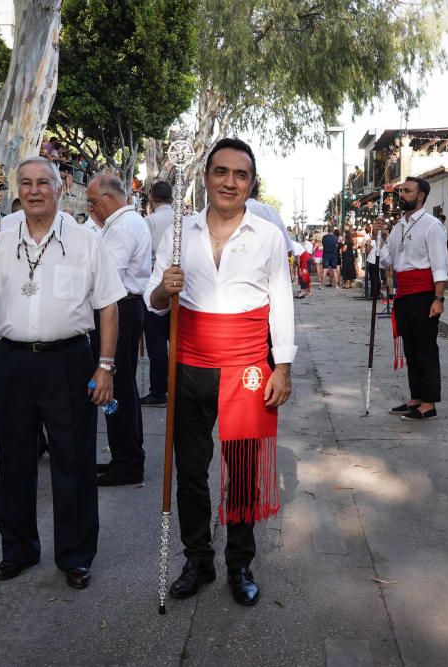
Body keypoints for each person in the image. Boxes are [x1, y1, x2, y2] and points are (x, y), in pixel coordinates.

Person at [0, 156, 125, 589]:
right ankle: (19, 549)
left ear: (59, 188)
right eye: (25, 183)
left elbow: (108, 306)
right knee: (15, 460)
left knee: (74, 460)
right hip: (12, 362)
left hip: (69, 361)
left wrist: (105, 367)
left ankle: (76, 555)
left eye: (42, 183)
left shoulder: (86, 242)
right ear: (17, 190)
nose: (33, 191)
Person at [147, 137, 295, 607]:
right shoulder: (177, 232)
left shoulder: (268, 236)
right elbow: (152, 298)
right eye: (221, 172)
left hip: (248, 369)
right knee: (190, 469)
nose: (230, 181)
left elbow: (282, 304)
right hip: (189, 364)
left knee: (243, 472)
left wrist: (283, 367)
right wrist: (163, 289)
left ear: (251, 183)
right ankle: (197, 558)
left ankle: (240, 562)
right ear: (206, 177)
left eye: (241, 174)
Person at [85, 173, 152, 486]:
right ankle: (124, 454)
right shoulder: (122, 223)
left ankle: (127, 462)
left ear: (110, 199)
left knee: (115, 385)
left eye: (94, 201)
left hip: (119, 308)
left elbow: (107, 274)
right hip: (121, 306)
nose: (91, 207)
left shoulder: (123, 226)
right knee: (122, 386)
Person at [375, 176, 448, 421]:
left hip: (424, 293)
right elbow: (386, 260)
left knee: (425, 348)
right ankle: (416, 397)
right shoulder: (399, 226)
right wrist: (381, 236)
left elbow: (440, 265)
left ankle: (429, 403)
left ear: (421, 196)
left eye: (407, 191)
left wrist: (439, 298)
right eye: (401, 191)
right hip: (404, 294)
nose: (402, 194)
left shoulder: (431, 225)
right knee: (410, 348)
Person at [141, 180, 176, 407]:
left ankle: (159, 391)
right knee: (177, 342)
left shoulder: (149, 222)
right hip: (180, 286)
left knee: (156, 345)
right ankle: (177, 387)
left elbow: (143, 254)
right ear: (172, 199)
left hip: (157, 285)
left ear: (152, 199)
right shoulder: (184, 220)